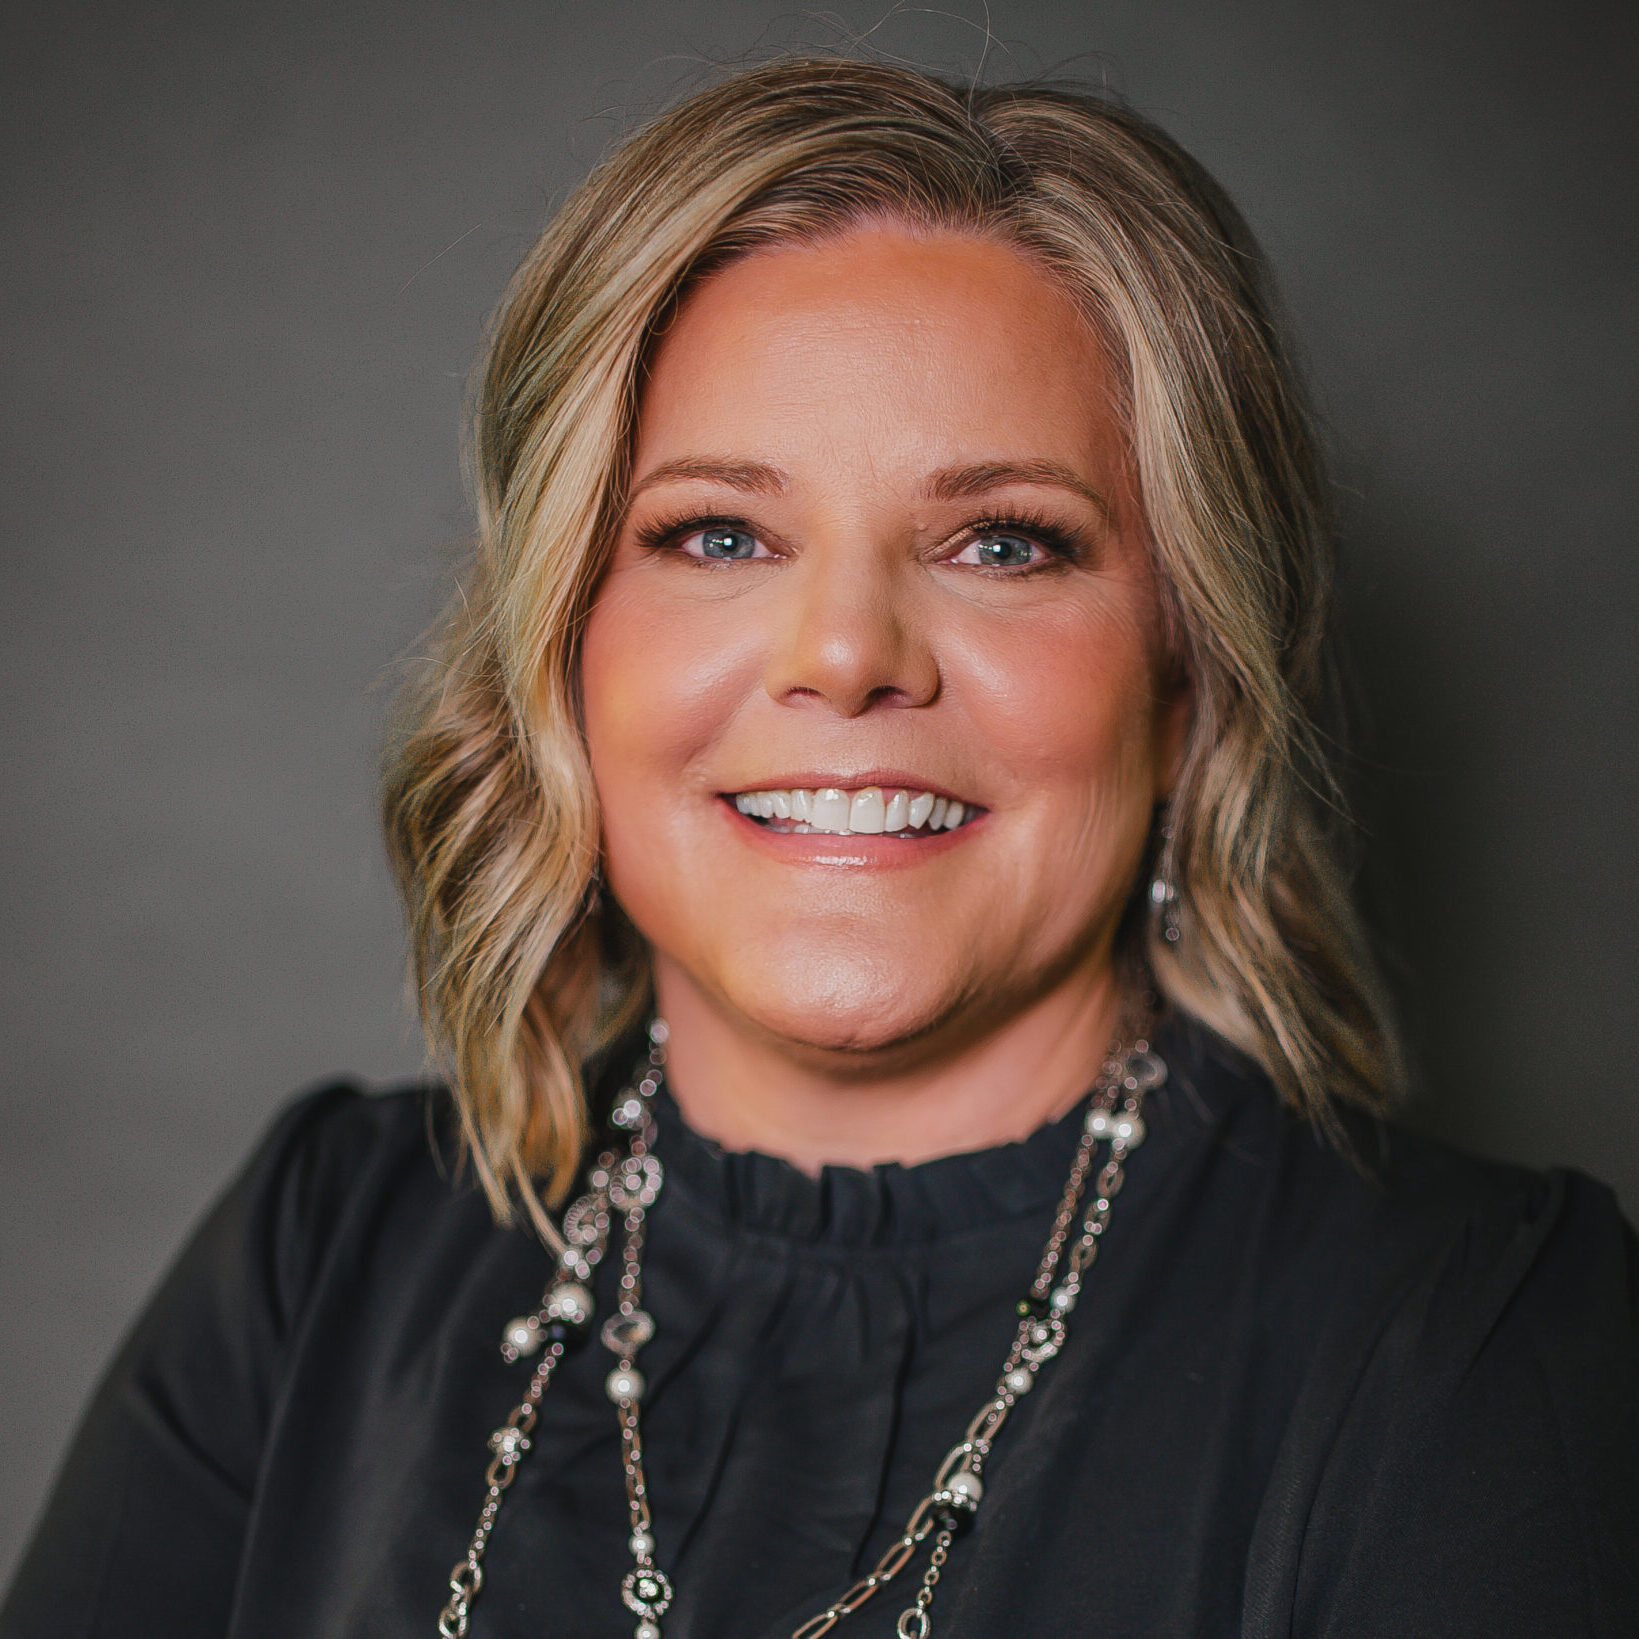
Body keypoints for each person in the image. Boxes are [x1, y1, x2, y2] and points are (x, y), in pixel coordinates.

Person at [3, 56, 1634, 1639]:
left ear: (1192, 665)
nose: (846, 654)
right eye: (719, 533)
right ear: (564, 643)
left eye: (1005, 541)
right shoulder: (327, 1252)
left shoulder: (1477, 1333)